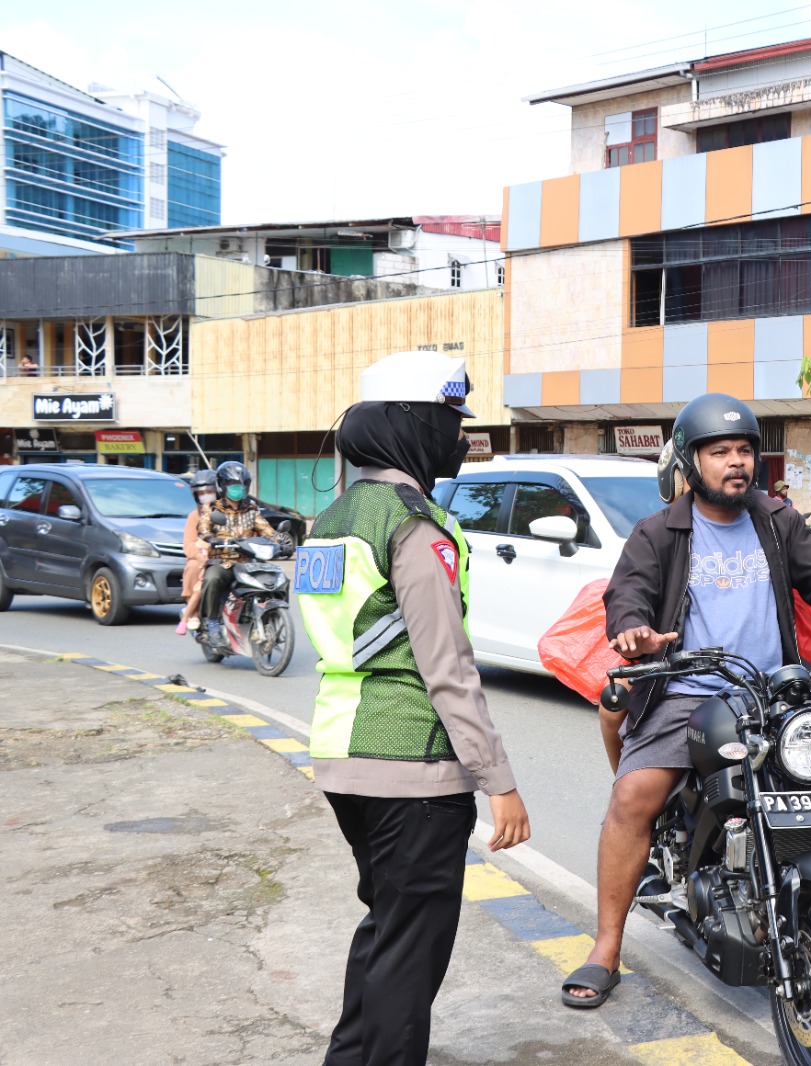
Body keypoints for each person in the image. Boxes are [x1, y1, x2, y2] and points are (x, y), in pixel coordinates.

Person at [563, 392, 811, 1008]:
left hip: (776, 687)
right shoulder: (659, 532)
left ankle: (801, 874)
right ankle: (606, 946)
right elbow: (629, 593)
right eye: (719, 451)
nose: (736, 462)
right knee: (633, 795)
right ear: (690, 462)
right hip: (689, 689)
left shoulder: (777, 521)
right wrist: (634, 630)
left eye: (745, 450)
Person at [299, 350, 530, 1066]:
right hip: (414, 768)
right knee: (409, 958)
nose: (460, 436)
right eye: (449, 421)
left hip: (342, 755)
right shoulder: (414, 525)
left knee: (387, 934)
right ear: (411, 426)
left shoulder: (331, 518)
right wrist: (499, 782)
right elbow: (449, 669)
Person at [197, 461, 283, 643]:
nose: (239, 488)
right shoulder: (212, 508)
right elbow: (204, 530)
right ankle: (211, 624)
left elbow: (266, 530)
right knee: (212, 578)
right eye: (234, 485)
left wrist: (281, 542)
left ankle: (274, 616)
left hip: (249, 563)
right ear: (222, 486)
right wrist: (212, 539)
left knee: (279, 578)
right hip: (223, 562)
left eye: (242, 485)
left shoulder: (251, 509)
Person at [175, 469, 217, 635]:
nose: (206, 496)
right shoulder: (195, 516)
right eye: (202, 493)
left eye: (209, 491)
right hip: (203, 558)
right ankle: (193, 612)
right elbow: (189, 543)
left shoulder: (228, 511)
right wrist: (199, 556)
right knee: (192, 567)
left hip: (227, 555)